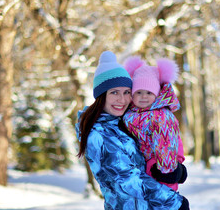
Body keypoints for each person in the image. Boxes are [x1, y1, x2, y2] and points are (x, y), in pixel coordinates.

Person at [76, 51, 189, 210]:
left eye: (126, 92)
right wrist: (174, 203)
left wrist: (174, 169)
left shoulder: (122, 123)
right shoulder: (99, 135)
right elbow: (128, 179)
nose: (121, 99)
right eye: (114, 92)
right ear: (102, 95)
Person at [123, 56, 187, 191]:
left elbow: (170, 141)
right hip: (139, 171)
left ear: (157, 94)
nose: (144, 96)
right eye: (139, 92)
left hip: (159, 170)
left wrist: (167, 169)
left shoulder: (161, 115)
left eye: (149, 92)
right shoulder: (129, 113)